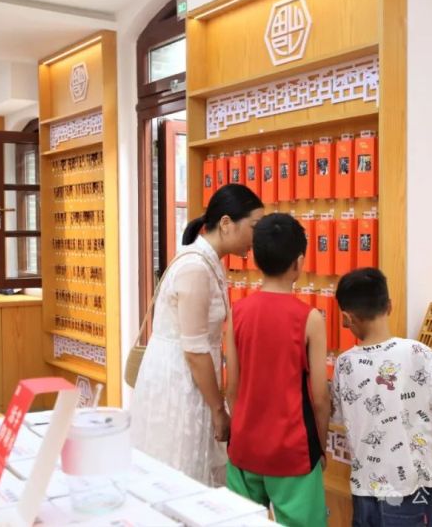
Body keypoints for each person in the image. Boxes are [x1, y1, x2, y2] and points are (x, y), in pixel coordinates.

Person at [332, 268, 432, 527]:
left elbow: (338, 414)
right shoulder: (415, 353)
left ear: (347, 318)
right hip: (410, 493)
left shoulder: (344, 364)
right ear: (390, 306)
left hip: (363, 493)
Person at [131, 184, 264, 486]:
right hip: (181, 382)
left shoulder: (206, 262)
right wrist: (218, 410)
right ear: (227, 223)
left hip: (191, 379)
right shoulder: (195, 268)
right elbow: (194, 350)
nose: (256, 238)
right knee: (179, 474)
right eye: (254, 227)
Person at [225, 213, 330, 527]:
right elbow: (320, 398)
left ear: (256, 259)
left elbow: (232, 387)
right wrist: (321, 446)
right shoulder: (310, 319)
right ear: (298, 262)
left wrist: (240, 431)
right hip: (292, 451)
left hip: (244, 448)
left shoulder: (238, 312)